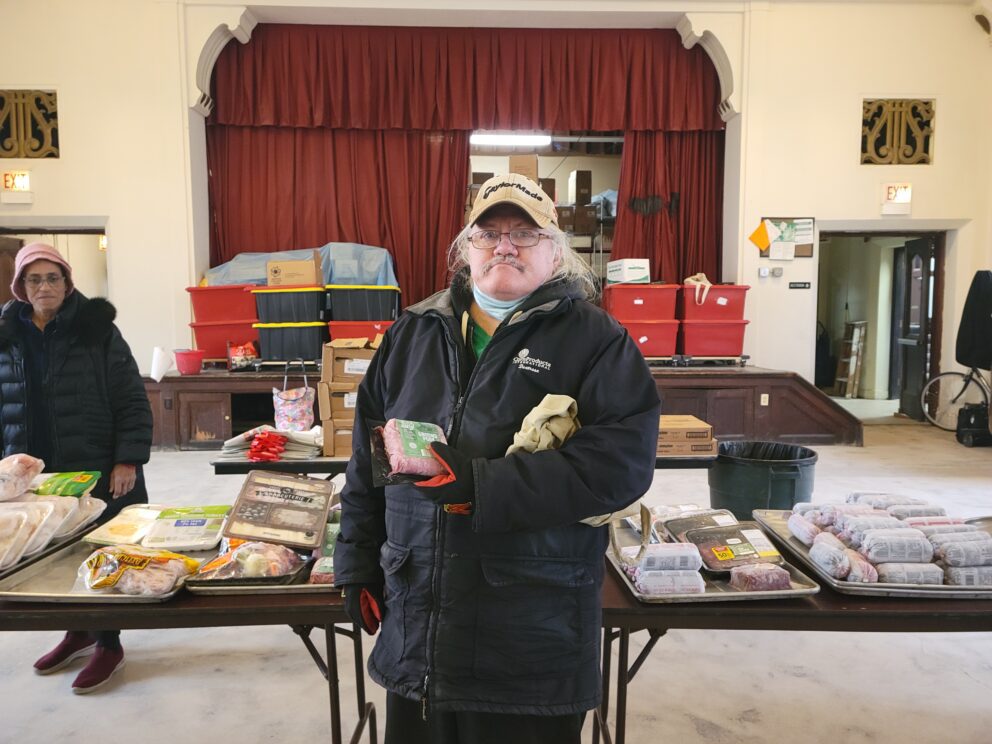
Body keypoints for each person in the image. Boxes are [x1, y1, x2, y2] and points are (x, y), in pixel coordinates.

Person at [335, 174, 660, 743]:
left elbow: (620, 466)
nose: (504, 245)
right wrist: (357, 562)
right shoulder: (412, 333)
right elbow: (368, 463)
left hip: (532, 638)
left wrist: (481, 486)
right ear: (466, 249)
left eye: (525, 234)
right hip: (420, 629)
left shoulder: (598, 341)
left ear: (556, 251)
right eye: (488, 233)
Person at [0, 242, 153, 694]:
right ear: (21, 286)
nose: (44, 286)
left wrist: (127, 459)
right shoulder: (7, 331)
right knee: (50, 552)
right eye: (34, 279)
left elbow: (130, 396)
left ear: (68, 283)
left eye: (52, 278)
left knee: (101, 550)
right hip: (33, 469)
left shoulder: (97, 330)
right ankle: (77, 630)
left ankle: (108, 642)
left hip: (96, 464)